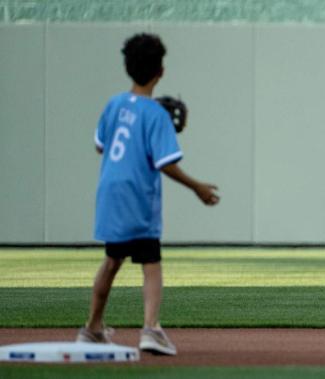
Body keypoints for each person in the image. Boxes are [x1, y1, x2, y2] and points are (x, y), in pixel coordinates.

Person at [76, 33, 220, 355]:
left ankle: (92, 328)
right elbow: (165, 163)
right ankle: (151, 329)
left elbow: (101, 145)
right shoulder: (156, 115)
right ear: (161, 71)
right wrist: (197, 187)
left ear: (128, 67)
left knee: (112, 260)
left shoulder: (113, 104)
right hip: (138, 194)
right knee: (150, 262)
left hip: (110, 193)